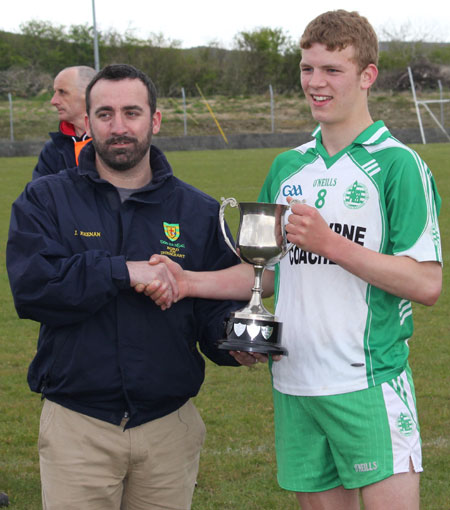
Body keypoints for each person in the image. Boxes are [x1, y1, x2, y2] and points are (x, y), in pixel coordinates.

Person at [145, 10, 443, 510]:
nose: (316, 83)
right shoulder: (288, 167)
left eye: (332, 70)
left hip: (367, 380)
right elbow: (261, 271)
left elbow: (426, 283)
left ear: (367, 76)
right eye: (308, 69)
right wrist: (188, 279)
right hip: (295, 383)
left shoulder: (397, 165)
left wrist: (330, 243)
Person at [7, 63, 244, 510]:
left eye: (132, 113)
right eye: (105, 114)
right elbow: (34, 288)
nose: (119, 127)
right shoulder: (46, 199)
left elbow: (215, 305)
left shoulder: (197, 210)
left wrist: (233, 339)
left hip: (168, 429)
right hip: (78, 426)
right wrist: (124, 271)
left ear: (154, 120)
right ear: (87, 121)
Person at [32, 65, 96, 180]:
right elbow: (39, 195)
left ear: (89, 94)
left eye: (62, 92)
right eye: (55, 92)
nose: (53, 101)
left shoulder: (115, 144)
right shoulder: (52, 150)